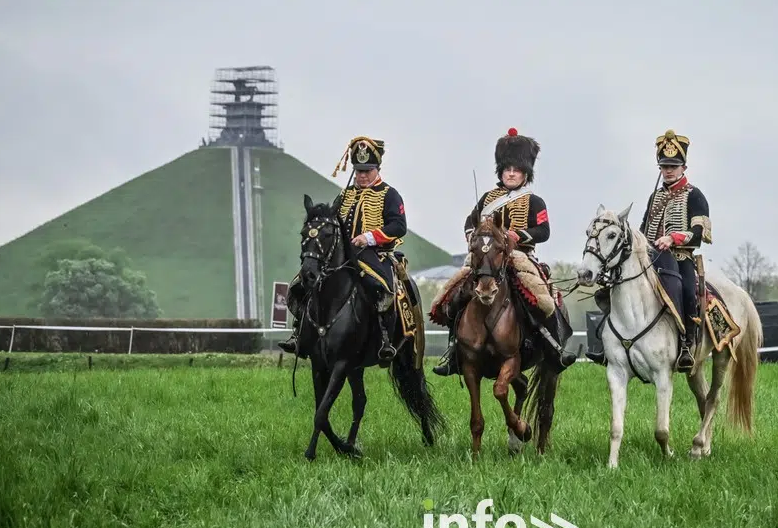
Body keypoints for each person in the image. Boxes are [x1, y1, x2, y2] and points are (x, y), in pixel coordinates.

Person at [432, 127, 577, 376]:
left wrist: (518, 236)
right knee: (454, 295)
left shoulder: (534, 201)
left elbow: (543, 231)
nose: (511, 173)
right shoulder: (488, 198)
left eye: (516, 169)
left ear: (525, 173)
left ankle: (554, 348)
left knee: (541, 298)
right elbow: (470, 222)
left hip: (520, 257)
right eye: (507, 168)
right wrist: (472, 238)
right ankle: (454, 351)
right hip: (485, 257)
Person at [584, 129, 711, 372]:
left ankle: (686, 344)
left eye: (673, 166)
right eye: (664, 166)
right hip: (650, 259)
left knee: (685, 290)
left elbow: (699, 233)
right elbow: (643, 231)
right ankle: (607, 345)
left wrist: (673, 238)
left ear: (684, 167)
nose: (668, 170)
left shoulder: (695, 195)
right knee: (615, 286)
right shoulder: (655, 197)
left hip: (680, 258)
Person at [278, 135, 408, 366]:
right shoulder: (345, 194)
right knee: (302, 284)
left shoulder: (389, 194)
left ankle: (385, 340)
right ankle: (299, 334)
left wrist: (368, 237)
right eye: (358, 171)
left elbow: (398, 226)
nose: (362, 175)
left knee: (382, 288)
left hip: (375, 253)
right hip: (341, 254)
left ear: (377, 169)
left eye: (367, 170)